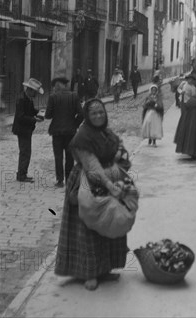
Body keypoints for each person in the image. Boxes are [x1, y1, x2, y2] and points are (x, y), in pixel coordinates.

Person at [55, 98, 135, 291]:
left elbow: (121, 152)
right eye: (94, 113)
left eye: (101, 112)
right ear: (87, 116)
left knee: (109, 223)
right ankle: (89, 273)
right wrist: (109, 183)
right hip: (88, 183)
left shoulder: (107, 133)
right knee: (89, 228)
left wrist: (120, 162)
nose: (99, 116)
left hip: (110, 179)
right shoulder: (83, 136)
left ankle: (104, 269)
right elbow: (91, 165)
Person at [45, 77, 83, 188]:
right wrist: (74, 124)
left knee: (58, 156)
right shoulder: (74, 96)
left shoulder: (53, 97)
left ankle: (60, 180)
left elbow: (48, 115)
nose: (55, 88)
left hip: (56, 132)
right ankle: (69, 180)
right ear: (65, 85)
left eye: (55, 86)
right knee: (70, 156)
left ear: (57, 86)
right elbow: (81, 114)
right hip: (70, 132)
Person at [12, 78, 44, 182]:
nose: (36, 94)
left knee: (26, 152)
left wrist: (39, 112)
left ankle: (22, 173)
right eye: (35, 92)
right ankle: (21, 175)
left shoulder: (27, 98)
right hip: (22, 129)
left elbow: (30, 110)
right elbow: (20, 117)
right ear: (30, 90)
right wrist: (33, 119)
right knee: (25, 152)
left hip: (26, 129)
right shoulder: (22, 99)